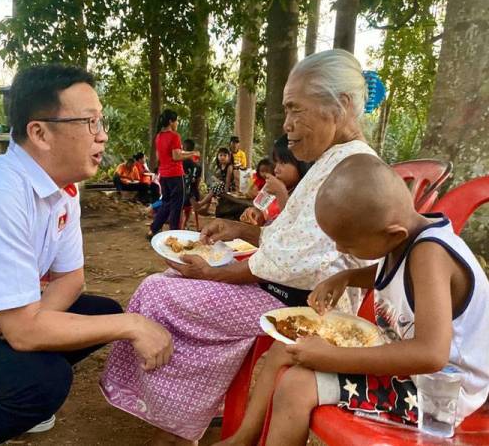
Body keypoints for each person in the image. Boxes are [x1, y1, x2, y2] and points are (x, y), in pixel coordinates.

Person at [101, 49, 381, 446]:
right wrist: (238, 229)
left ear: (343, 105)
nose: (287, 126)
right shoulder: (331, 162)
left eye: (295, 111)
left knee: (158, 291)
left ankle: (176, 419)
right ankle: (187, 410)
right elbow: (288, 244)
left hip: (302, 306)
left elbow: (293, 263)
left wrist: (213, 273)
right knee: (168, 279)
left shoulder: (349, 170)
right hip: (282, 288)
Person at [0, 64, 172, 446]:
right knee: (44, 381)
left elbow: (72, 279)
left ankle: (10, 395)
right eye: (89, 122)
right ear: (39, 132)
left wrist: (23, 321)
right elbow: (25, 333)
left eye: (100, 121)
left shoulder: (61, 191)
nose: (102, 136)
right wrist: (134, 325)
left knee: (98, 311)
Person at [216, 154, 489, 446]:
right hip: (411, 369)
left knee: (297, 385)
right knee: (288, 346)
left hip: (441, 395)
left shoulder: (430, 256)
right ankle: (244, 437)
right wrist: (346, 276)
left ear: (390, 234)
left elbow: (431, 355)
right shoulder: (405, 238)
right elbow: (396, 274)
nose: (338, 248)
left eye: (346, 244)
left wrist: (332, 357)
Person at [148, 109, 199, 238]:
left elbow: (161, 156)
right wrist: (192, 153)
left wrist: (187, 154)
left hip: (163, 176)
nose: (177, 123)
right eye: (176, 120)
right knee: (177, 206)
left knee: (166, 203)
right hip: (175, 175)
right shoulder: (174, 136)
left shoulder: (158, 136)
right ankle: (174, 234)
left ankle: (153, 229)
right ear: (171, 121)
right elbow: (176, 156)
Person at [241, 135, 310, 226]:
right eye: (276, 162)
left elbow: (293, 227)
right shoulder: (273, 189)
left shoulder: (305, 195)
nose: (276, 169)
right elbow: (266, 215)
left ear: (302, 163)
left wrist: (280, 192)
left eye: (283, 162)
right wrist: (256, 214)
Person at [191, 147, 234, 214]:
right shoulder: (221, 165)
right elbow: (219, 177)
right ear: (218, 156)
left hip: (229, 186)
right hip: (222, 185)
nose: (222, 157)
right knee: (212, 187)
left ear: (229, 157)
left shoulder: (229, 167)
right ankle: (206, 208)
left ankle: (200, 204)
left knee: (214, 188)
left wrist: (226, 191)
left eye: (225, 155)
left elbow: (228, 181)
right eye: (221, 155)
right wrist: (216, 179)